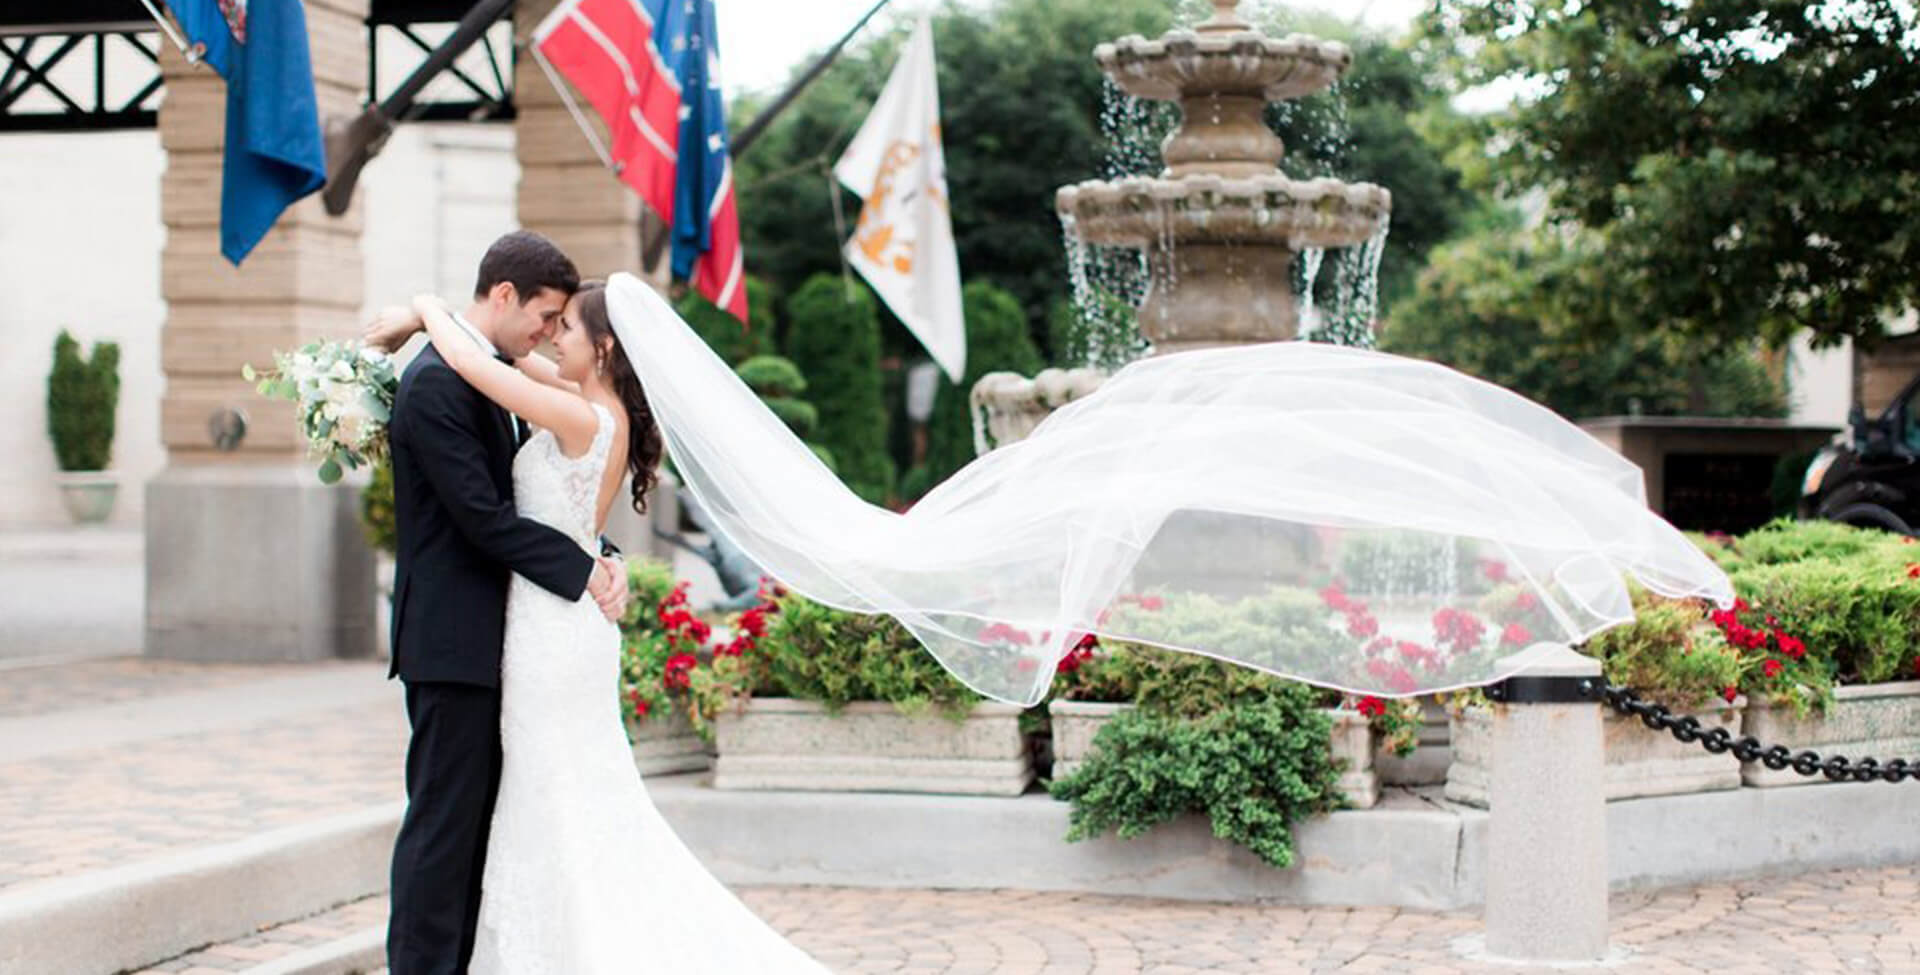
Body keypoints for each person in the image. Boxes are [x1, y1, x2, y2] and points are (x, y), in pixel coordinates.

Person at [368, 256, 826, 973]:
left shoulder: (576, 410)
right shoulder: (588, 402)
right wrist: (593, 558)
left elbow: (474, 364)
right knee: (545, 803)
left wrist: (424, 302)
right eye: (549, 319)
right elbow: (553, 498)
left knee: (552, 801)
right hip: (544, 626)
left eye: (567, 325)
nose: (553, 335)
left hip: (551, 635)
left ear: (604, 347)